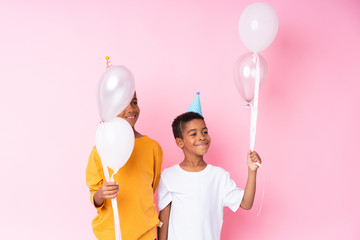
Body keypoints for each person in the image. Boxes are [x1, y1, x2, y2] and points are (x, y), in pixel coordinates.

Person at [158, 112, 261, 240]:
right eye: (193, 134)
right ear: (180, 142)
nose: (201, 137)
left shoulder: (219, 176)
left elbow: (246, 203)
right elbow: (164, 220)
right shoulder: (168, 176)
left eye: (205, 132)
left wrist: (252, 171)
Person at [86, 92, 163, 240]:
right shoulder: (100, 149)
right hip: (111, 235)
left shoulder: (153, 147)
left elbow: (151, 187)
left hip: (146, 234)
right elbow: (94, 195)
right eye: (122, 104)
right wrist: (100, 194)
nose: (131, 109)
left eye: (134, 102)